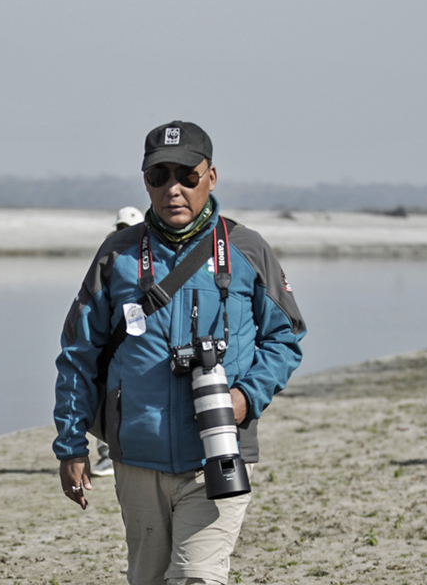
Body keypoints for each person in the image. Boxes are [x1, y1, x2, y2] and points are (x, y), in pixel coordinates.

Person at [54, 121, 305, 584]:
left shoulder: (247, 249)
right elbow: (77, 352)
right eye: (159, 176)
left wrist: (245, 398)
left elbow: (285, 339)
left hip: (219, 452)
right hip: (137, 457)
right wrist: (71, 444)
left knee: (197, 578)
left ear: (211, 176)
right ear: (145, 181)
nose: (174, 189)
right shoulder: (118, 254)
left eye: (187, 175)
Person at [89, 206, 147, 479]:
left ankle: (117, 454)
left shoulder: (148, 252)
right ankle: (107, 455)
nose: (125, 233)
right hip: (113, 336)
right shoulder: (110, 250)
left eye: (129, 228)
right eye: (121, 228)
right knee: (104, 395)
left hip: (132, 335)